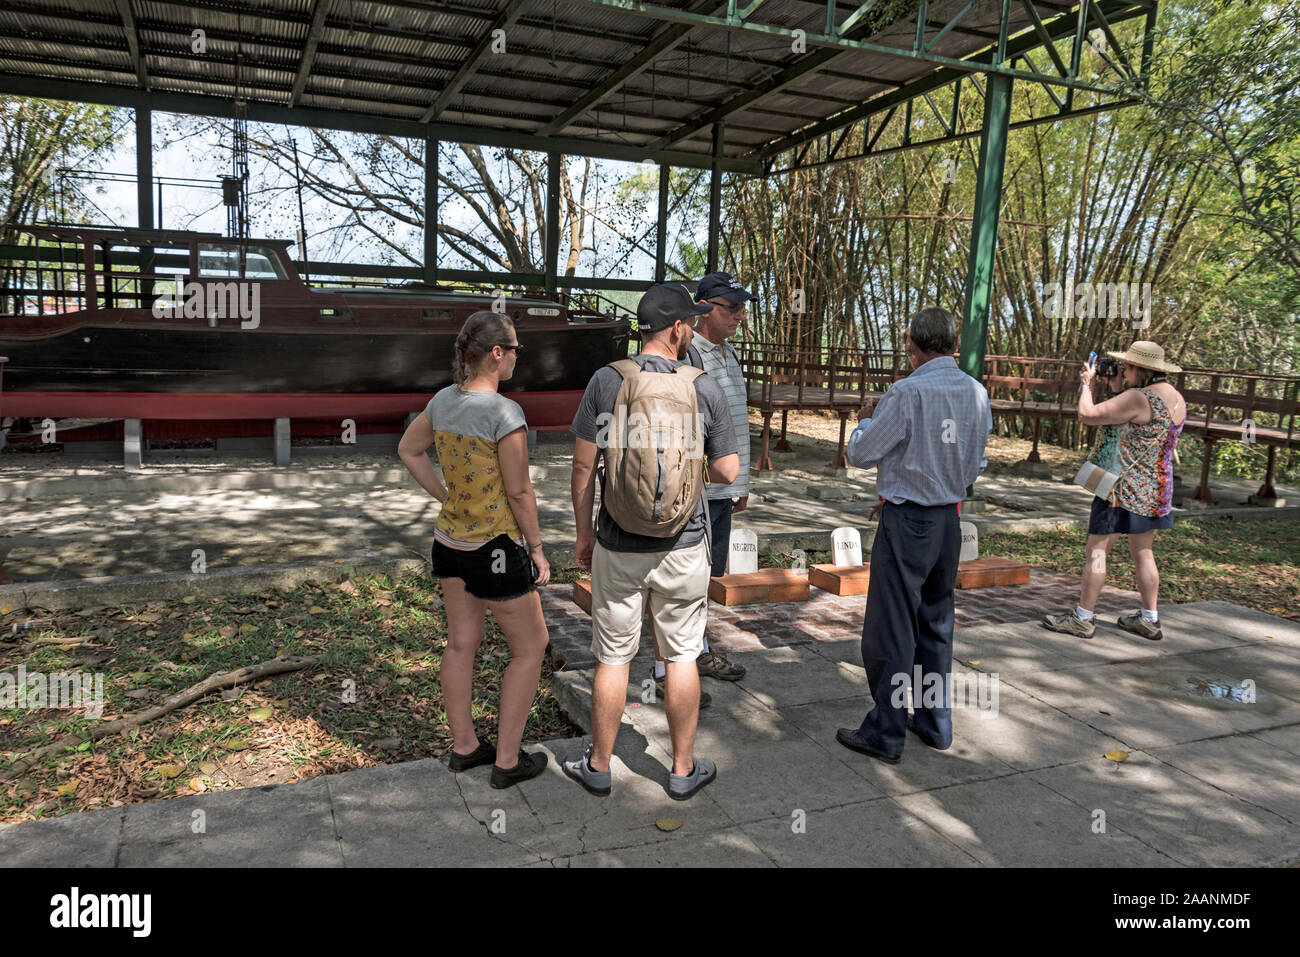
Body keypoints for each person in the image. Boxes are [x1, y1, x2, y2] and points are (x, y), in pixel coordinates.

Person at [565, 283, 739, 800]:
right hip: (684, 544)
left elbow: (582, 467)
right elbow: (728, 471)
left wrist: (582, 535)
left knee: (613, 657)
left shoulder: (606, 381)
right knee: (682, 655)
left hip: (617, 541)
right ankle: (683, 770)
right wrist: (687, 465)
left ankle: (598, 765)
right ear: (679, 329)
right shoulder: (703, 385)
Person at [397, 310, 552, 789]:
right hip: (497, 550)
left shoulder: (443, 401)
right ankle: (507, 760)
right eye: (516, 349)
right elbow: (520, 491)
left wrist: (446, 496)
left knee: (462, 643)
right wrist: (539, 548)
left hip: (449, 544)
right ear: (497, 354)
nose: (518, 358)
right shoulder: (505, 414)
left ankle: (465, 747)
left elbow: (408, 449)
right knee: (531, 648)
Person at [835, 307, 992, 764]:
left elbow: (862, 454)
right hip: (949, 519)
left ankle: (886, 730)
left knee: (891, 626)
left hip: (907, 522)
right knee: (936, 624)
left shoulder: (905, 392)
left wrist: (865, 419)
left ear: (913, 347)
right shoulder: (976, 392)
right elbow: (977, 463)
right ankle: (932, 721)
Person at [645, 271, 755, 698]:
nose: (739, 317)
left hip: (722, 489)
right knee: (677, 579)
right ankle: (669, 665)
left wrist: (740, 482)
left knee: (706, 576)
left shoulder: (728, 355)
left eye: (742, 310)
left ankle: (697, 649)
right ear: (704, 309)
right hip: (693, 490)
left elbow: (734, 426)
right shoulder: (690, 358)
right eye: (731, 309)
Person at [1041, 340, 1186, 641]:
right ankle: (1149, 618)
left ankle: (1083, 617)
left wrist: (1086, 386)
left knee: (1097, 550)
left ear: (1140, 369)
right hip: (1155, 489)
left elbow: (1088, 415)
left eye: (1128, 367)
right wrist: (1118, 387)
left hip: (1121, 489)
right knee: (1143, 552)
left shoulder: (1138, 397)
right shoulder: (1176, 399)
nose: (1125, 371)